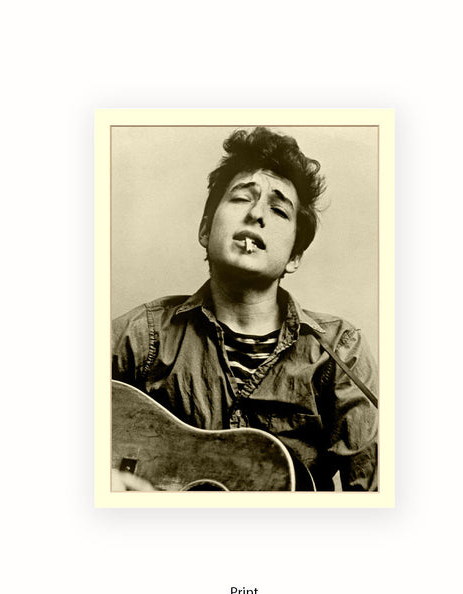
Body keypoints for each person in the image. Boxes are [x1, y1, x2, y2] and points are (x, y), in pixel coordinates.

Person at [112, 127, 378, 491]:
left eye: (279, 210)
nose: (256, 214)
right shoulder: (145, 335)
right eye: (241, 198)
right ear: (205, 230)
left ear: (294, 257)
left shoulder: (340, 352)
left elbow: (372, 501)